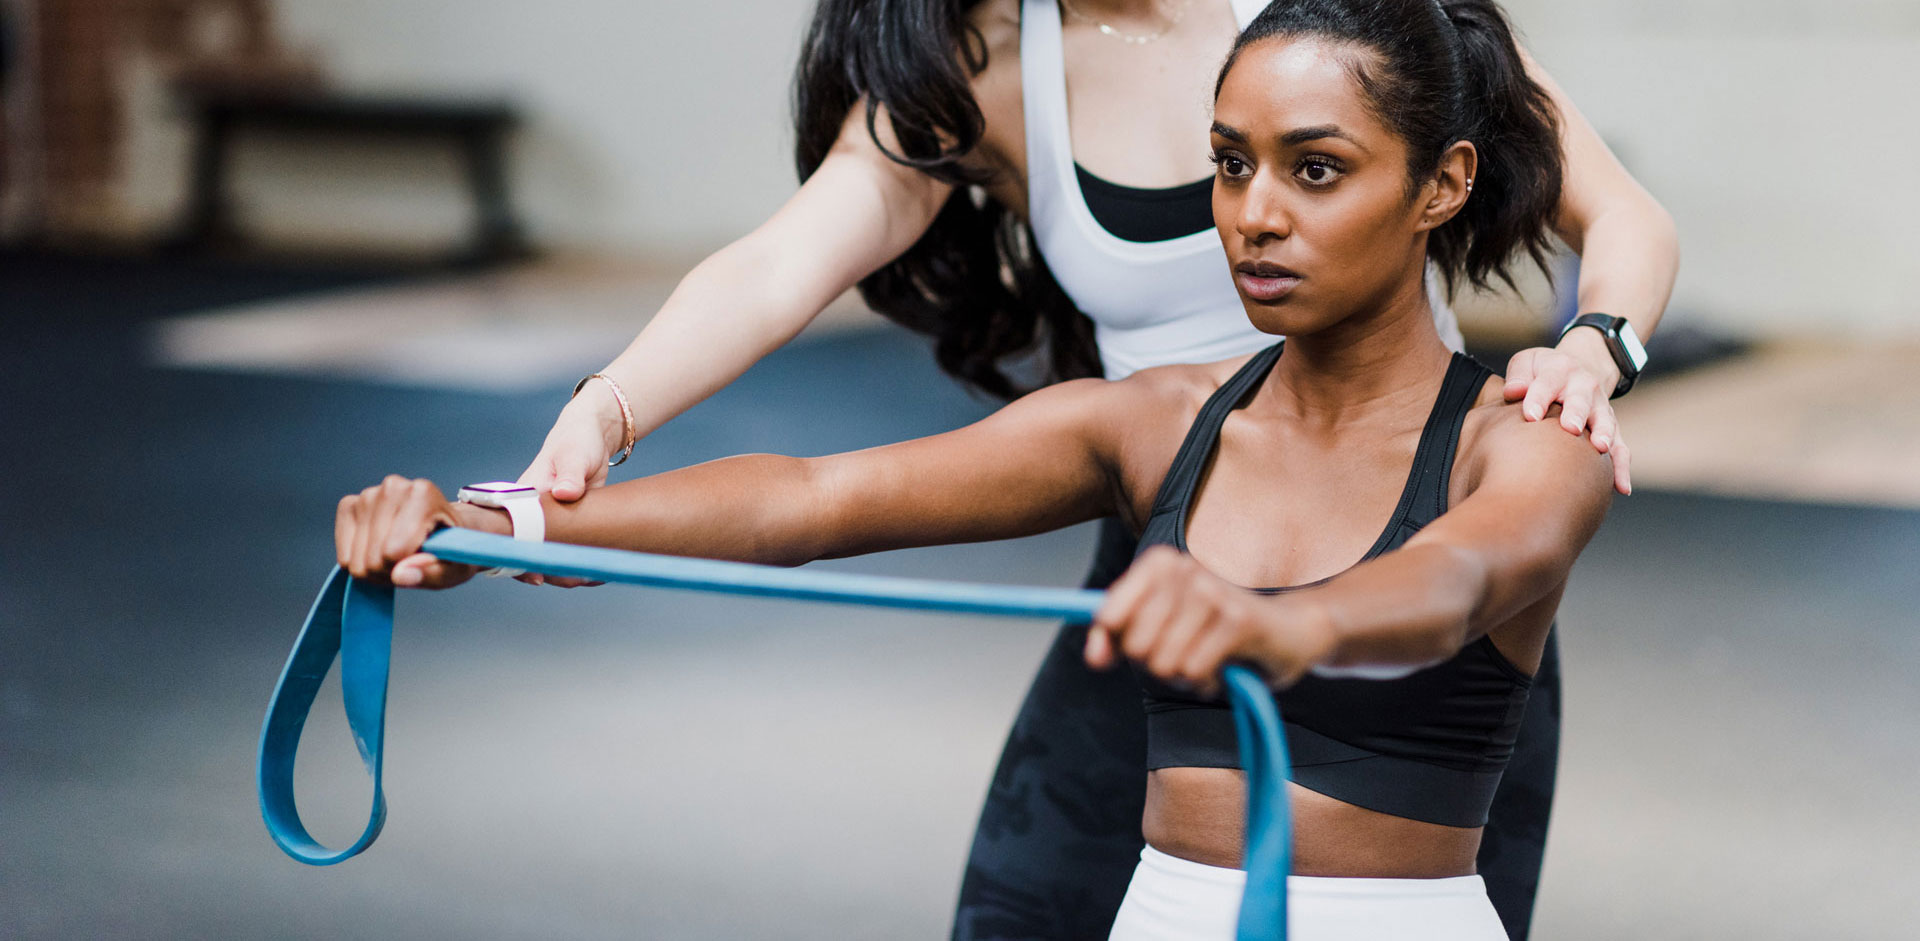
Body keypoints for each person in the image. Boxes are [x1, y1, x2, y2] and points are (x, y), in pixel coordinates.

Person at [338, 0, 1618, 934]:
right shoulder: (1150, 424)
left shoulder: (1522, 435)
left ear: (1441, 183)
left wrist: (1284, 628)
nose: (1255, 213)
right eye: (1228, 165)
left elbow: (1453, 582)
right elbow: (816, 497)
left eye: (1315, 169)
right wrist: (495, 519)